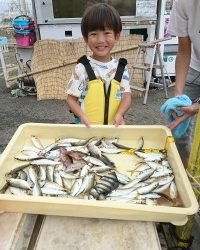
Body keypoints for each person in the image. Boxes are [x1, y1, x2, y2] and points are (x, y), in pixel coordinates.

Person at [66, 3, 131, 127]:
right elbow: (70, 99)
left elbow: (126, 97)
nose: (100, 40)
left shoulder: (121, 68)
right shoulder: (81, 68)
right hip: (87, 130)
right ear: (86, 38)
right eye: (94, 34)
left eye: (107, 33)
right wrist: (82, 116)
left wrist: (120, 114)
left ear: (117, 36)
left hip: (113, 129)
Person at [167, 0, 200, 167]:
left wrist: (198, 105)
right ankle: (184, 178)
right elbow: (183, 50)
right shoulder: (183, 2)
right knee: (178, 127)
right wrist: (178, 96)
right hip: (195, 68)